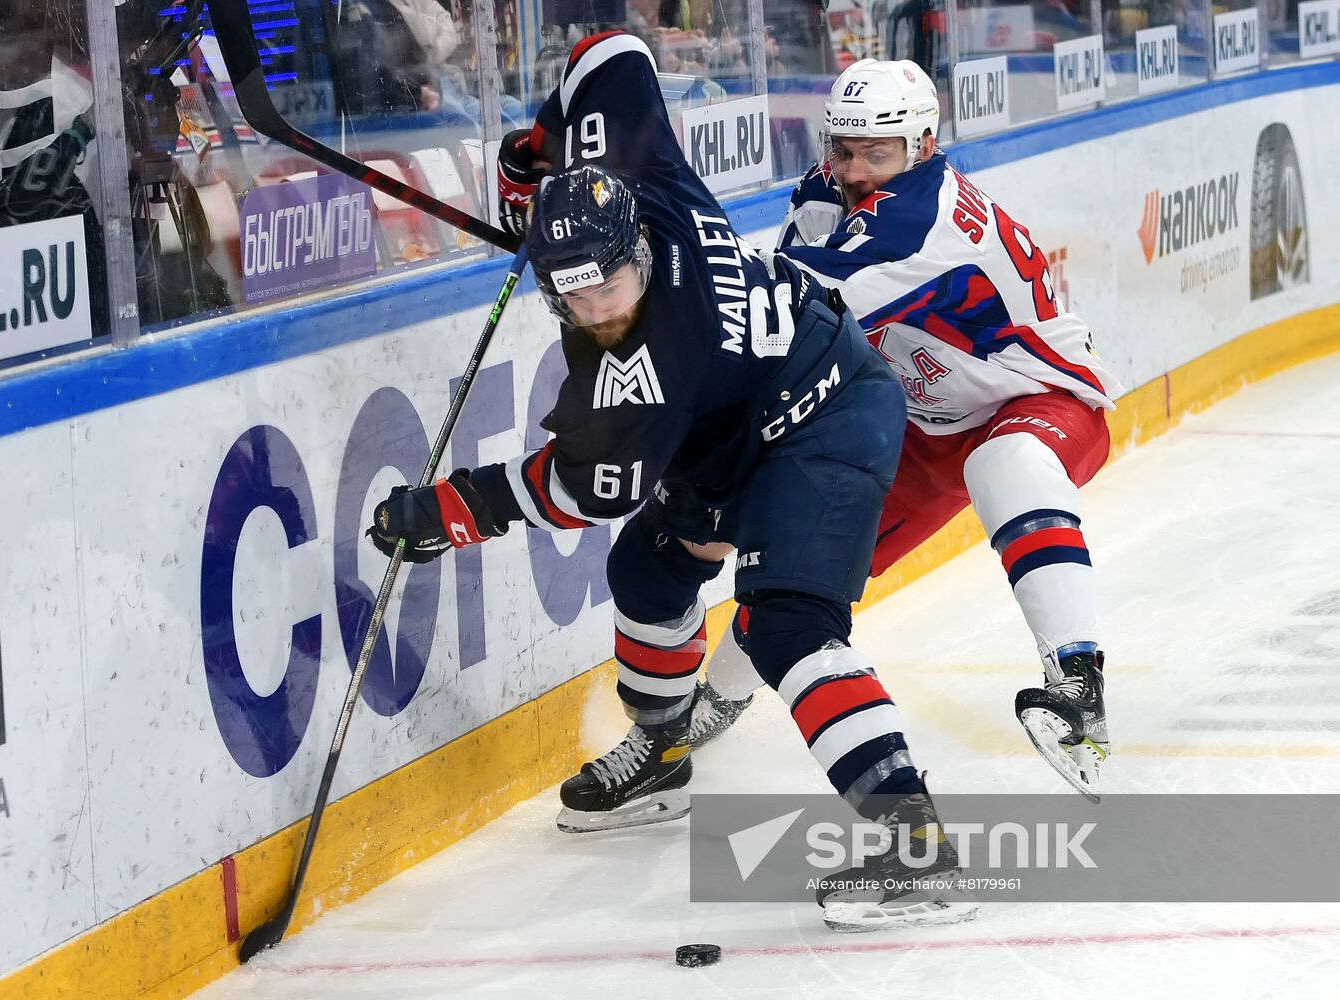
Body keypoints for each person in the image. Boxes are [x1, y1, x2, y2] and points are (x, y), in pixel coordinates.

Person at [371, 31, 977, 930]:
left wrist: (453, 509)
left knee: (784, 624)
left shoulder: (645, 369)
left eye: (610, 287)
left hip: (830, 409)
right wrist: (537, 149)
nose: (598, 311)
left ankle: (915, 843)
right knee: (649, 571)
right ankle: (662, 754)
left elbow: (582, 489)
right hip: (730, 420)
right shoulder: (637, 171)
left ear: (637, 254)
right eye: (573, 298)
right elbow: (607, 52)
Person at [701, 59, 1124, 802]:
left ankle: (1076, 685)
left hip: (1035, 398)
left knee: (1005, 465)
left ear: (923, 145)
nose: (855, 169)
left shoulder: (917, 225)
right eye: (843, 148)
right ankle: (701, 711)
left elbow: (779, 312)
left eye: (877, 153)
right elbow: (778, 278)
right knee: (790, 576)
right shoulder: (826, 191)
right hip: (923, 428)